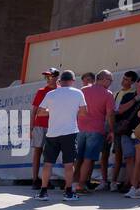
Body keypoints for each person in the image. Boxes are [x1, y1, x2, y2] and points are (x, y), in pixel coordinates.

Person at [38, 72, 88, 202]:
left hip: (52, 133)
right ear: (72, 80)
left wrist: (53, 110)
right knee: (68, 164)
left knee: (48, 163)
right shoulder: (78, 93)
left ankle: (43, 192)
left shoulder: (51, 94)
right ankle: (68, 192)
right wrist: (72, 110)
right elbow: (84, 112)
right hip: (69, 133)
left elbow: (40, 113)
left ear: (60, 81)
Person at [75, 70, 115, 193]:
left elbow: (76, 109)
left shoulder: (83, 90)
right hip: (96, 129)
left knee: (79, 158)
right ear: (102, 79)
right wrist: (112, 131)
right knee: (89, 158)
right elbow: (110, 115)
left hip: (80, 128)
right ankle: (81, 186)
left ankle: (73, 183)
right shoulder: (108, 94)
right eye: (110, 80)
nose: (111, 83)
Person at [111, 71, 140, 193]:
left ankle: (130, 183)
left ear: (133, 82)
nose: (124, 81)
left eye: (127, 80)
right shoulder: (119, 93)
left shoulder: (133, 94)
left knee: (135, 158)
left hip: (136, 131)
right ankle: (114, 182)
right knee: (120, 156)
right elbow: (117, 111)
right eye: (123, 79)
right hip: (121, 129)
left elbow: (120, 110)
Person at [29, 67, 59, 189]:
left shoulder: (61, 91)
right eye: (46, 76)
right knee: (37, 151)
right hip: (40, 125)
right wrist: (31, 127)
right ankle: (35, 179)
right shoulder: (41, 91)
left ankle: (46, 180)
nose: (47, 79)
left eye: (50, 76)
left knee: (50, 154)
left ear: (57, 77)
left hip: (54, 126)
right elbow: (34, 111)